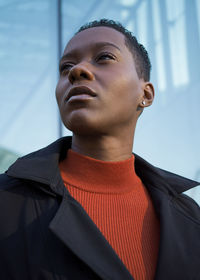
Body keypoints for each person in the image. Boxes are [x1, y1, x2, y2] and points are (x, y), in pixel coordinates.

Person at [0, 19, 199, 280]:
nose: (77, 71)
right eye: (66, 67)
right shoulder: (6, 204)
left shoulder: (190, 219)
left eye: (104, 57)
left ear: (146, 94)